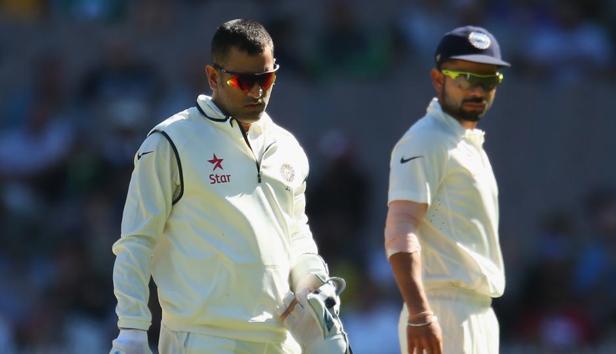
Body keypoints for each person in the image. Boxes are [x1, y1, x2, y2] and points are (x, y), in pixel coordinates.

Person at [110, 19, 349, 354]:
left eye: (265, 79)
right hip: (202, 340)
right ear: (213, 77)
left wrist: (312, 280)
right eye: (243, 80)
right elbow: (136, 242)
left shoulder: (288, 147)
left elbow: (294, 231)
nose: (257, 91)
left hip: (281, 341)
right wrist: (132, 330)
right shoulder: (171, 142)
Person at [384, 25, 510, 354]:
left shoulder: (466, 144)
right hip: (442, 311)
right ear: (438, 79)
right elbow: (399, 230)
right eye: (464, 77)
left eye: (487, 80)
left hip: (476, 312)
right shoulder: (426, 139)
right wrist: (421, 313)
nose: (477, 90)